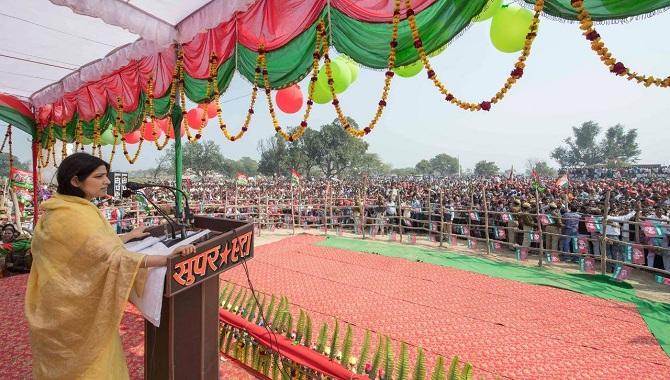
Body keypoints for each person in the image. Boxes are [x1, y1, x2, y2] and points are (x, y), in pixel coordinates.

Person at [25, 153, 196, 380]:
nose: (107, 181)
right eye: (99, 176)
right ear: (76, 181)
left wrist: (127, 237)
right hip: (72, 316)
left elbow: (88, 248)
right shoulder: (73, 216)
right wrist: (167, 259)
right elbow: (111, 258)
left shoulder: (63, 208)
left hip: (56, 305)